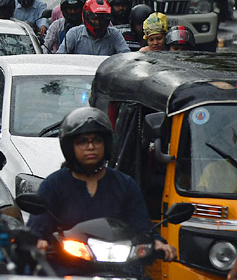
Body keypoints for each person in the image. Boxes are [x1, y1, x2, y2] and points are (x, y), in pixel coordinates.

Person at [28, 108, 176, 260]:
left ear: (106, 144)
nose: (91, 147)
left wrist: (158, 243)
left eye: (97, 140)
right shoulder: (53, 185)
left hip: (119, 266)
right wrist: (39, 242)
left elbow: (142, 225)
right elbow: (38, 227)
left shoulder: (125, 184)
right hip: (68, 266)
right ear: (70, 147)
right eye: (82, 141)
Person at [58, 0, 129, 55]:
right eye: (94, 19)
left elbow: (126, 56)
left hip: (105, 71)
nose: (98, 22)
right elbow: (60, 57)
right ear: (86, 17)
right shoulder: (74, 33)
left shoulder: (114, 34)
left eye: (102, 19)